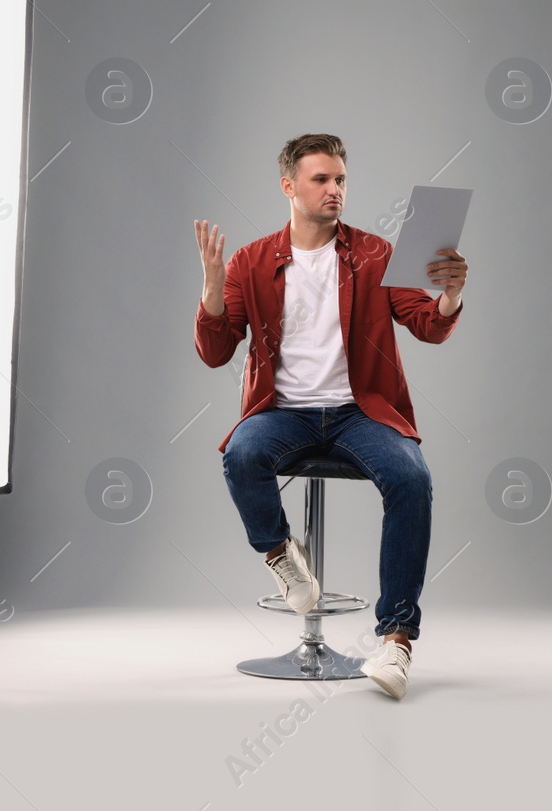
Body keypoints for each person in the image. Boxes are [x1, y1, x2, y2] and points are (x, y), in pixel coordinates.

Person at [192, 133, 467, 700]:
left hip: (358, 413)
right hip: (283, 413)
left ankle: (395, 641)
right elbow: (217, 351)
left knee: (412, 477)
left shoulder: (373, 253)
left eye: (340, 179)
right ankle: (280, 555)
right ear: (289, 186)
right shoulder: (249, 260)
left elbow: (425, 323)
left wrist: (449, 298)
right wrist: (213, 295)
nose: (334, 189)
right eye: (321, 179)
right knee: (241, 453)